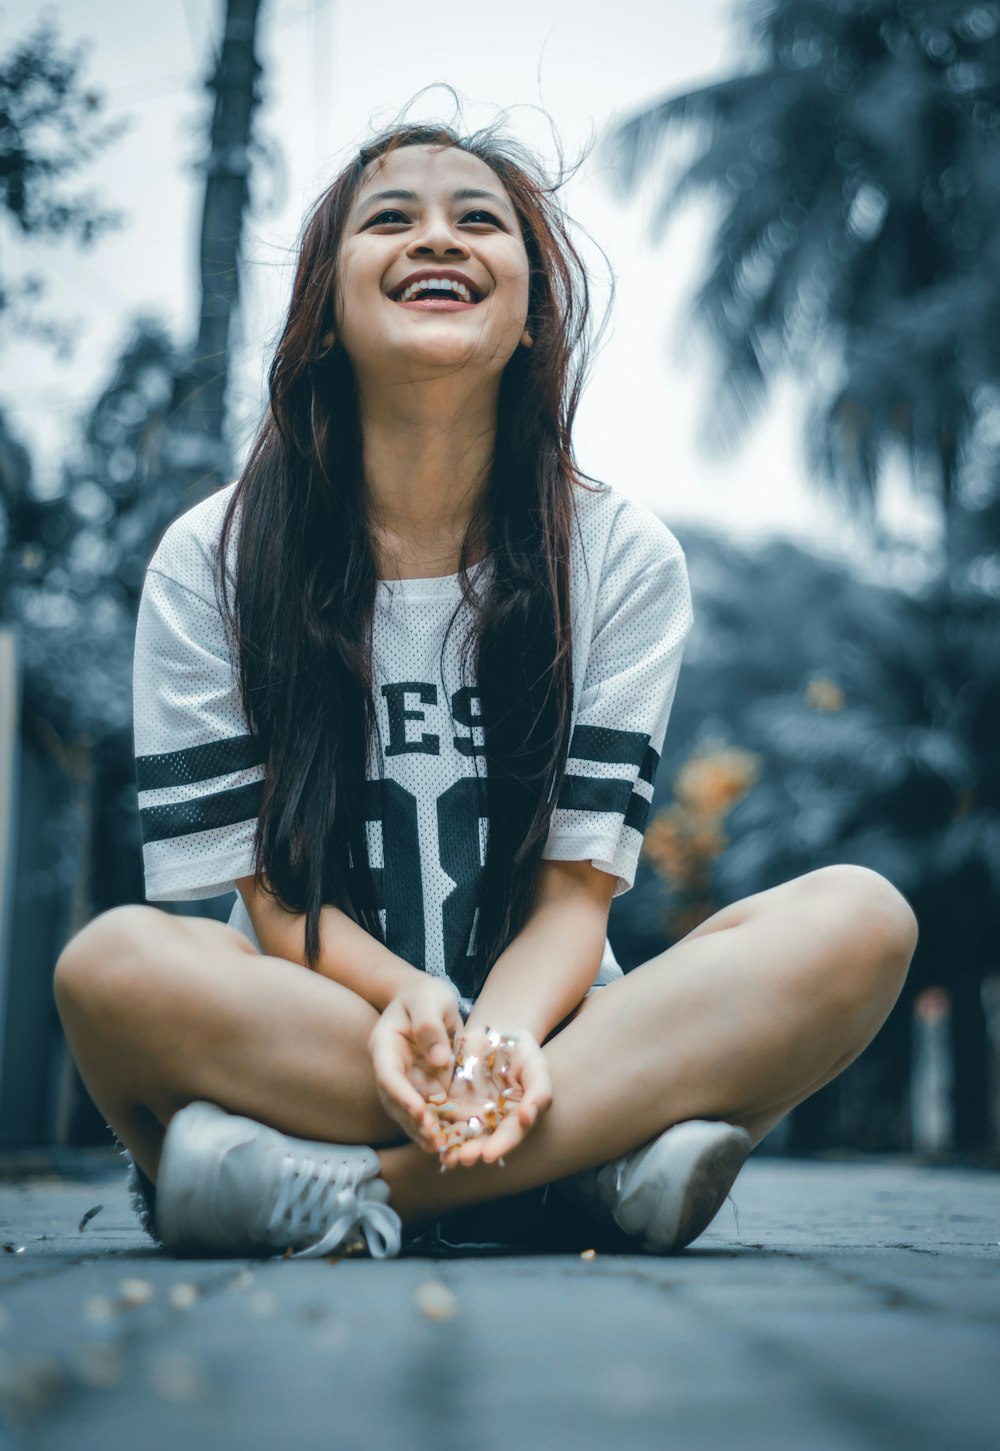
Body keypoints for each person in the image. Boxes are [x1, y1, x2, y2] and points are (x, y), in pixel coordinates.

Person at [52, 121, 918, 1262]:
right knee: (107, 965)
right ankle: (592, 1159)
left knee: (861, 918)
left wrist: (503, 1034)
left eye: (476, 218)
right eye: (390, 217)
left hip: (554, 1023)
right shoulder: (213, 555)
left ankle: (343, 1190)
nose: (435, 238)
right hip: (316, 1024)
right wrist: (409, 996)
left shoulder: (618, 554)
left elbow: (573, 900)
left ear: (529, 312)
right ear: (323, 302)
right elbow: (270, 902)